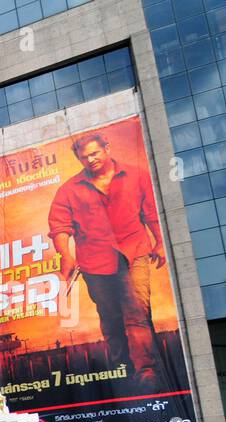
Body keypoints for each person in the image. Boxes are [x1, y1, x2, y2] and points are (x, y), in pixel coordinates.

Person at [48, 131, 167, 389]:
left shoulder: (136, 175)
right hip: (94, 262)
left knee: (136, 313)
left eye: (95, 153)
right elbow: (59, 227)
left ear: (107, 148)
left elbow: (151, 213)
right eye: (84, 157)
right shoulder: (69, 190)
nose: (90, 160)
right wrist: (66, 256)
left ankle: (147, 372)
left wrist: (160, 242)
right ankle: (122, 369)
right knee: (111, 318)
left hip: (133, 252)